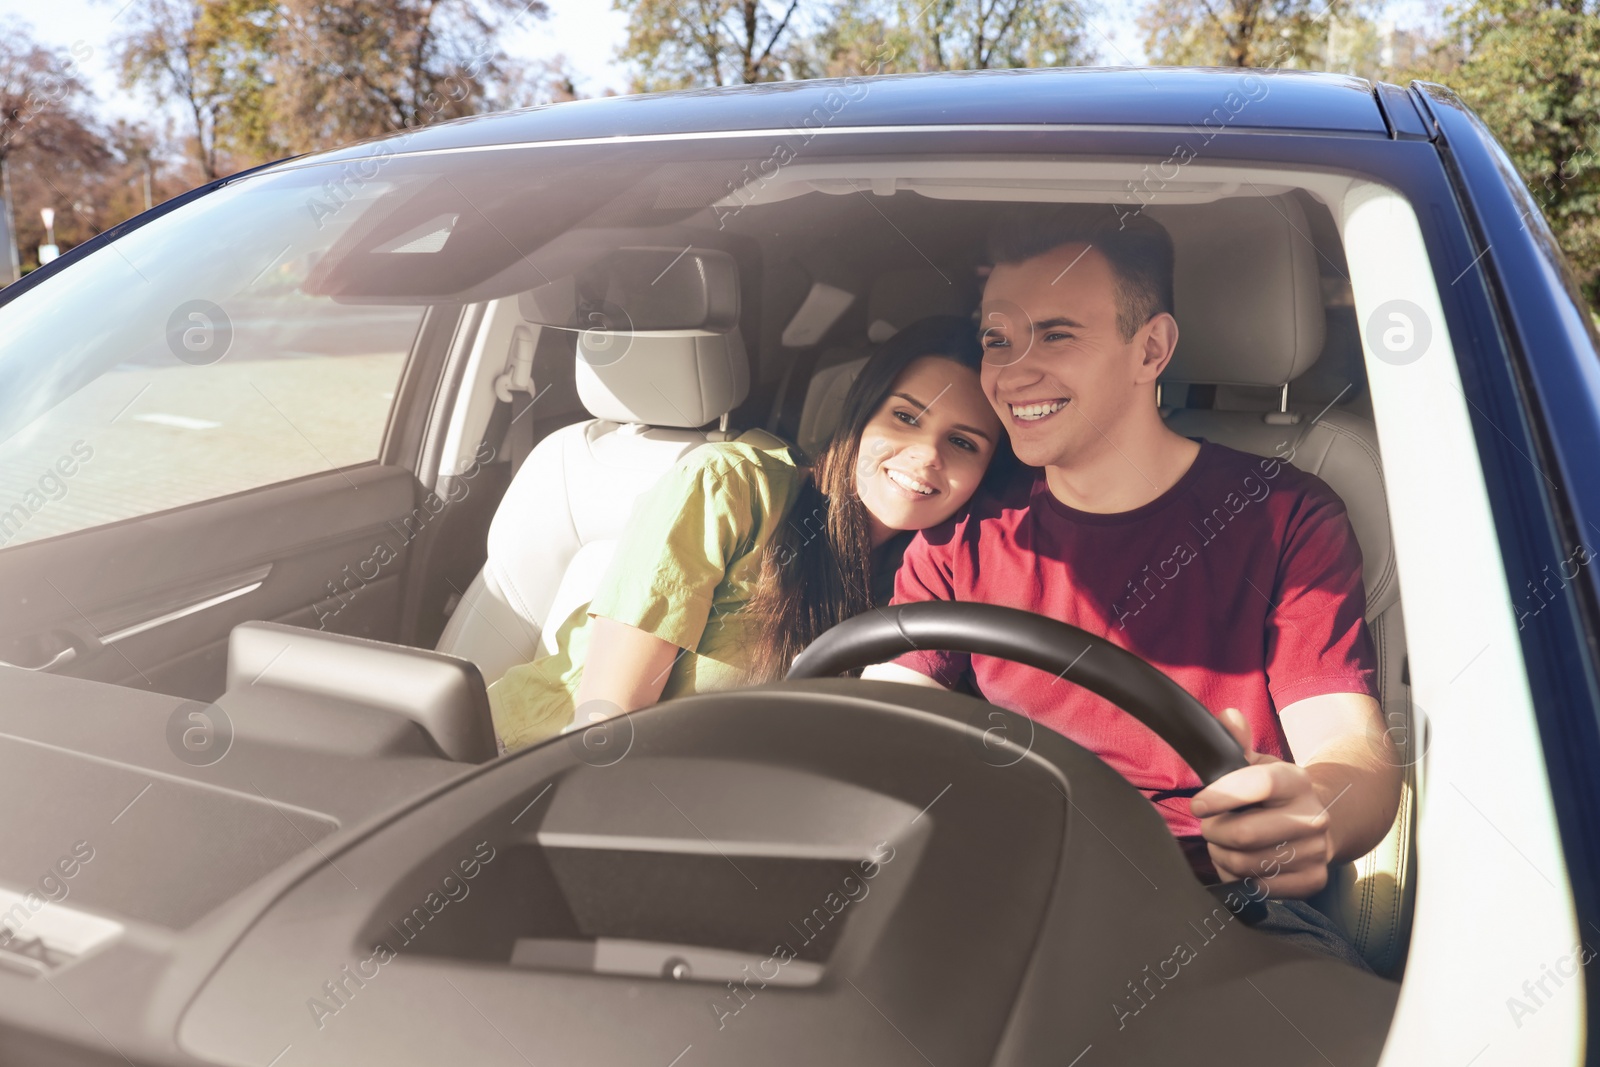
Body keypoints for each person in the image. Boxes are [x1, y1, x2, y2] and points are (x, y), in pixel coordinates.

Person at [864, 207, 1402, 968]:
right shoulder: (964, 532)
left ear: (1150, 348)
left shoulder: (1282, 516)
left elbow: (1353, 748)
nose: (1013, 372)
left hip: (1217, 906)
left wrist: (1315, 809)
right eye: (997, 339)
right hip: (991, 899)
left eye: (1056, 334)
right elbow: (884, 721)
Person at [487, 314, 1011, 752]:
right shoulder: (731, 484)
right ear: (861, 413)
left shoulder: (938, 574)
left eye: (964, 443)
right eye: (904, 417)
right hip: (534, 767)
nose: (927, 456)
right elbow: (607, 716)